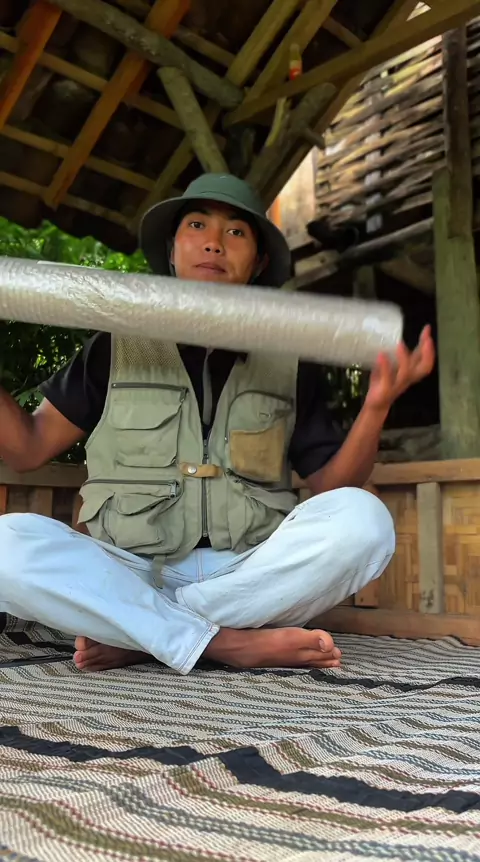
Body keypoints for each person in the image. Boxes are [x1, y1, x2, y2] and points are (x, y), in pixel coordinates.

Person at [0, 174, 435, 675]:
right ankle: (223, 642)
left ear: (259, 261)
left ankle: (148, 634)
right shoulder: (116, 344)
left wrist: (377, 406)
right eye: (197, 225)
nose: (213, 242)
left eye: (235, 232)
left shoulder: (289, 359)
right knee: (8, 544)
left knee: (366, 522)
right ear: (172, 249)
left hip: (247, 574)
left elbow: (333, 486)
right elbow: (27, 449)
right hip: (131, 570)